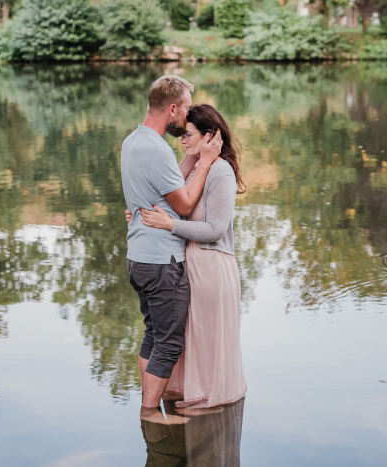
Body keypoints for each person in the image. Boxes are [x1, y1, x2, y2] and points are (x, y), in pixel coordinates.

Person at [127, 104, 247, 410]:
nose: (182, 139)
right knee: (184, 341)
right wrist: (138, 213)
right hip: (189, 263)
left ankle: (203, 412)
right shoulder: (196, 168)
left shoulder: (219, 171)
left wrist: (170, 224)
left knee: (205, 343)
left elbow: (216, 229)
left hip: (210, 265)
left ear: (209, 137)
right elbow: (168, 199)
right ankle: (170, 404)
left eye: (189, 135)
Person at [121, 76, 223, 425]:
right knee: (168, 342)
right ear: (173, 108)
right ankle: (151, 412)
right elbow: (182, 203)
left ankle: (151, 399)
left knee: (152, 333)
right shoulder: (158, 149)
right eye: (186, 106)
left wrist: (193, 159)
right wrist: (206, 162)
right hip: (163, 261)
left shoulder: (132, 142)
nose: (186, 118)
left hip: (138, 258)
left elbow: (162, 188)